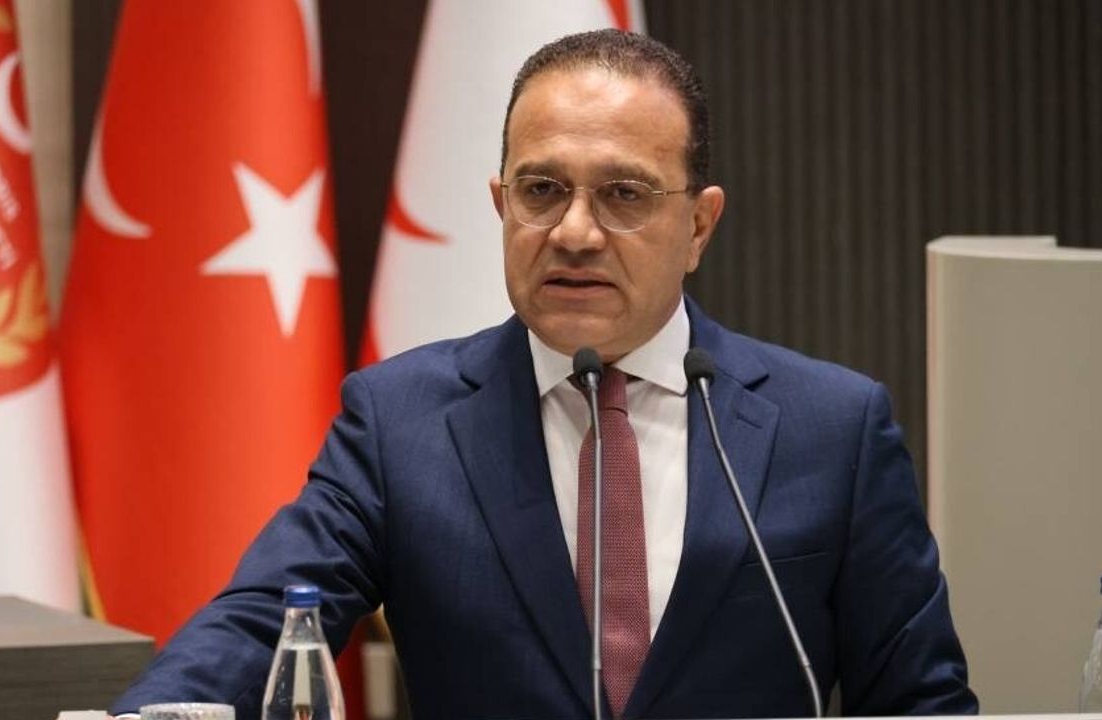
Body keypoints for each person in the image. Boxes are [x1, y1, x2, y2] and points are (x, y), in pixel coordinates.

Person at [112, 30, 977, 719]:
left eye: (624, 194)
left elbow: (920, 702)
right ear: (501, 205)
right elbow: (264, 621)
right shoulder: (400, 422)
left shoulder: (833, 428)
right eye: (541, 191)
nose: (573, 232)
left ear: (699, 227)